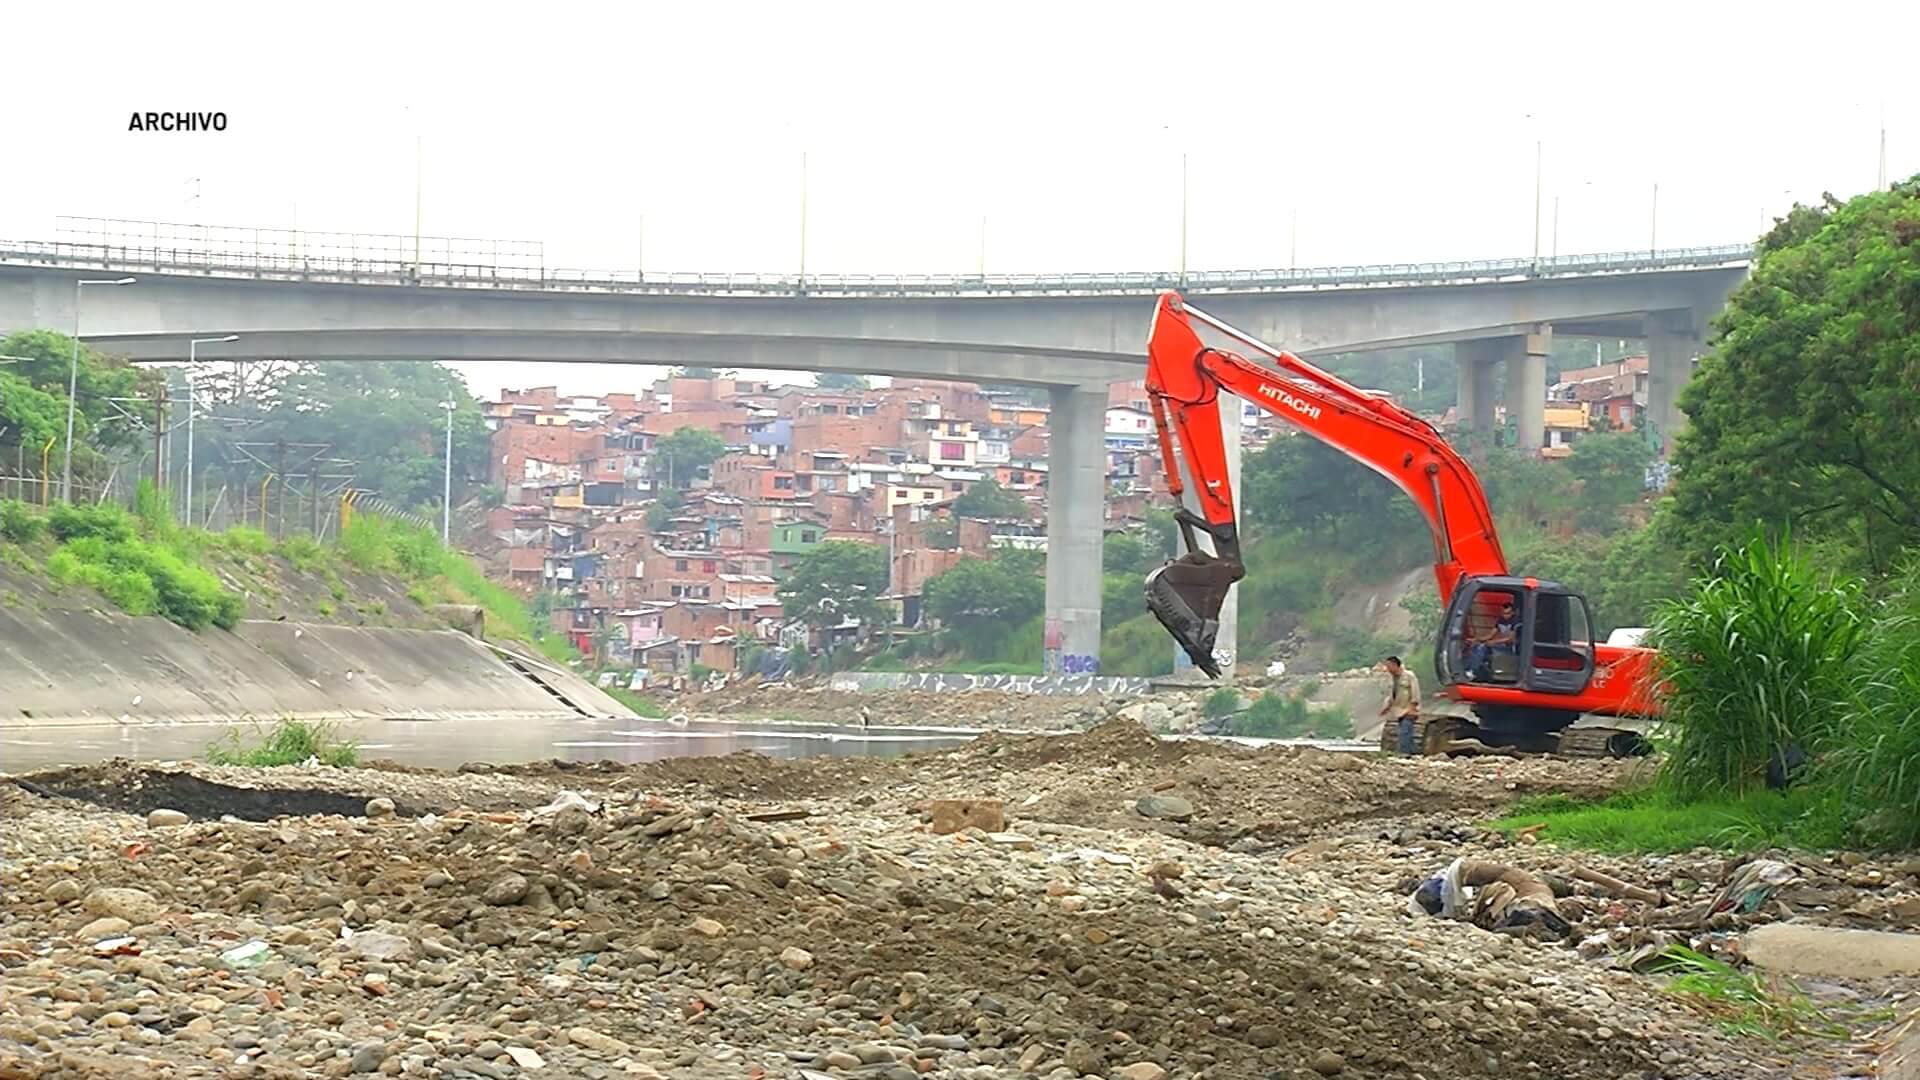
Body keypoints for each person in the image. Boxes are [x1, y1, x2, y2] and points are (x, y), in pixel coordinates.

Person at [1466, 598, 1521, 682]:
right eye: (1503, 613)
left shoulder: (1516, 622)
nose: (1505, 615)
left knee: (1482, 647)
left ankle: (1472, 671)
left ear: (1513, 612)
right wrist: (1476, 639)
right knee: (1476, 646)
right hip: (1501, 646)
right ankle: (1472, 670)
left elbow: (1510, 639)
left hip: (1511, 649)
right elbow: (1490, 635)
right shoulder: (1500, 620)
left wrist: (1493, 642)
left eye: (1507, 613)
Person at [1379, 655, 1421, 754]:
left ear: (1395, 665)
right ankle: (1413, 753)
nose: (1387, 669)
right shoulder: (1393, 679)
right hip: (1398, 710)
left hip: (1409, 709)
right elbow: (1391, 695)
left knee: (1405, 732)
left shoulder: (1409, 676)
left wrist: (1413, 707)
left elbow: (1415, 692)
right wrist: (1386, 708)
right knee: (1406, 732)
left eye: (1389, 666)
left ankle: (1404, 754)